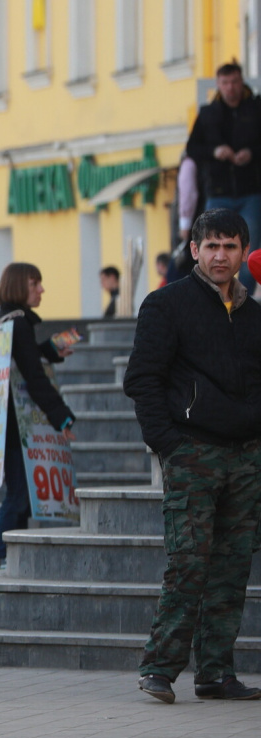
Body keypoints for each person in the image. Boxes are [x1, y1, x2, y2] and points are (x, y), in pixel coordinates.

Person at [125, 207, 261, 703]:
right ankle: (159, 669)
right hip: (192, 452)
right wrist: (168, 444)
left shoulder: (255, 315)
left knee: (232, 568)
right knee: (188, 563)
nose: (221, 255)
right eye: (212, 246)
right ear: (195, 250)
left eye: (230, 246)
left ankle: (216, 674)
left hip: (246, 457)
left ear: (243, 252)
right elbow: (142, 379)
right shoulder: (167, 304)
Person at [0, 263, 76, 571]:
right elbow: (34, 377)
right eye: (34, 284)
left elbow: (23, 356)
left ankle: (12, 554)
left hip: (4, 420)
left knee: (21, 491)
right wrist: (61, 417)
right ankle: (2, 553)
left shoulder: (5, 320)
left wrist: (49, 350)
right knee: (18, 493)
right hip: (16, 423)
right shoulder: (18, 323)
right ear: (18, 287)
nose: (41, 290)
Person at [186, 61, 261, 295]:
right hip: (218, 191)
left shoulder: (255, 109)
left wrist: (251, 153)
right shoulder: (208, 113)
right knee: (213, 247)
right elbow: (192, 148)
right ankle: (215, 296)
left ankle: (243, 298)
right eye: (225, 83)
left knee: (249, 250)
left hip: (251, 190)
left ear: (242, 82)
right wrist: (215, 151)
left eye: (234, 82)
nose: (230, 87)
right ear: (218, 84)